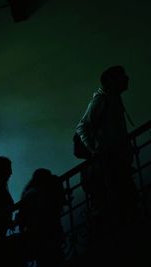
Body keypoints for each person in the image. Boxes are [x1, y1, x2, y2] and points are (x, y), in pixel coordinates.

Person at [75, 65, 138, 238]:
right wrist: (94, 149)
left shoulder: (112, 98)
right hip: (109, 160)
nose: (126, 79)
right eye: (121, 76)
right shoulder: (102, 100)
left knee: (121, 197)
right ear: (111, 81)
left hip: (115, 159)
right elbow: (82, 126)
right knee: (119, 197)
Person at [14, 168, 66, 267]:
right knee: (54, 257)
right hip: (50, 232)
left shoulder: (29, 194)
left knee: (44, 259)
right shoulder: (47, 193)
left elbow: (24, 214)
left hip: (37, 234)